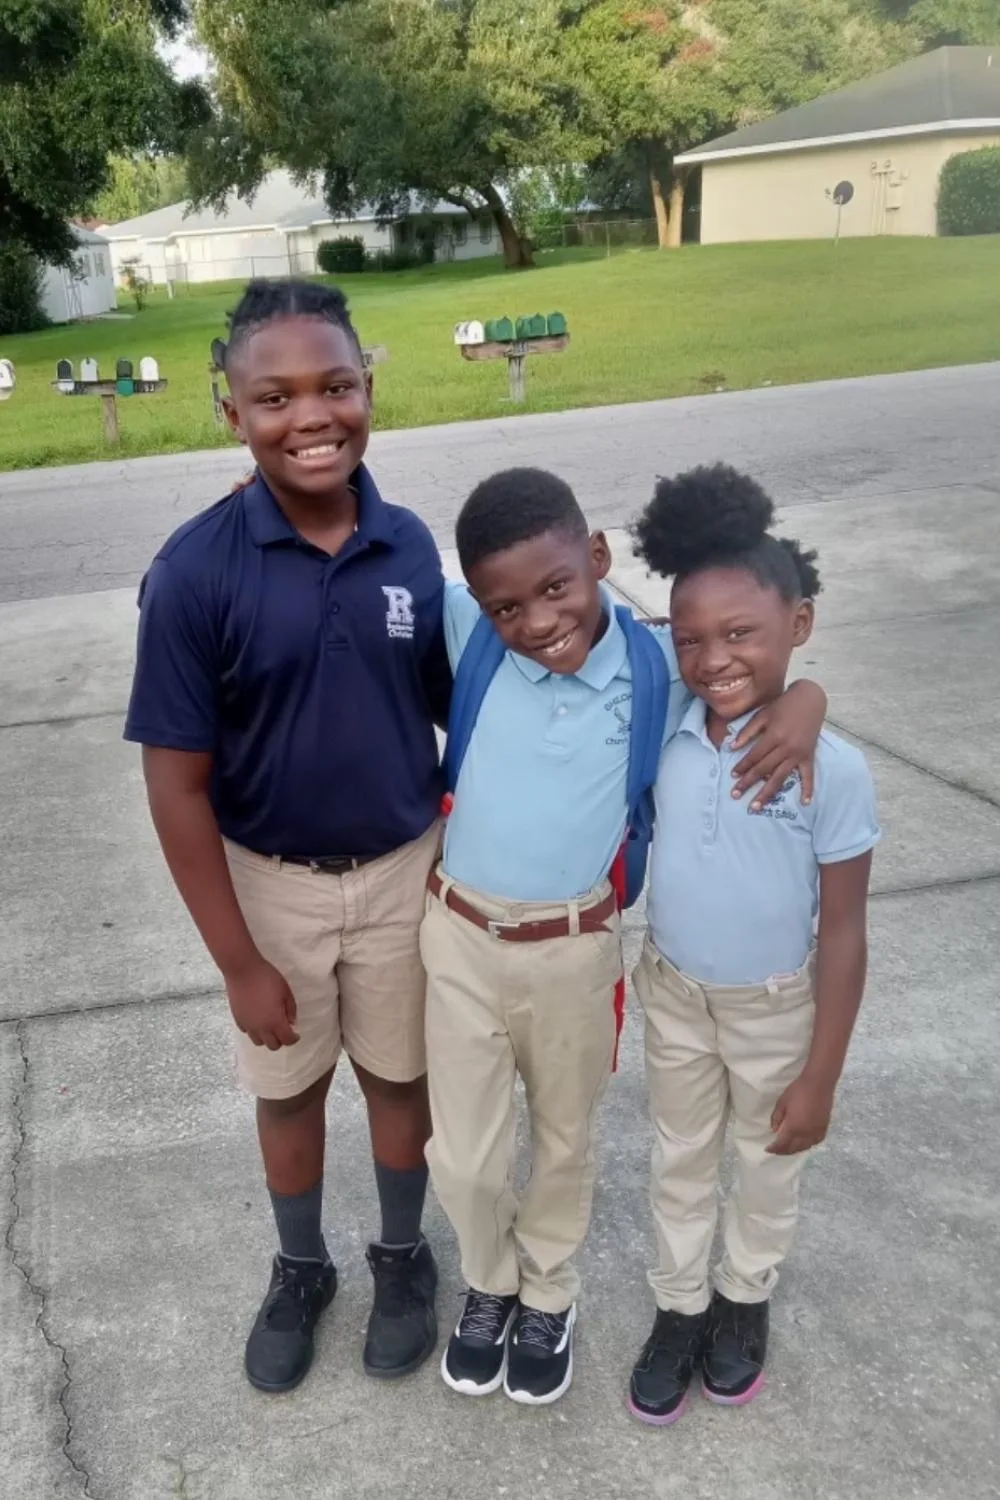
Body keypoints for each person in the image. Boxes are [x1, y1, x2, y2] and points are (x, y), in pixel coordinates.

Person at [422, 467, 830, 1408]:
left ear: (597, 558)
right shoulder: (464, 627)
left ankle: (548, 1294)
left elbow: (751, 686)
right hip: (458, 935)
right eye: (507, 606)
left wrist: (810, 700)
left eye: (557, 588)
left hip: (575, 947)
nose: (535, 620)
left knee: (565, 1137)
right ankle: (490, 1280)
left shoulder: (657, 675)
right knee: (468, 1156)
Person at [124, 279, 452, 1394]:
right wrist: (238, 960)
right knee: (289, 1088)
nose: (311, 416)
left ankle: (403, 1257)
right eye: (276, 397)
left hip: (407, 870)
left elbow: (468, 701)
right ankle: (301, 1265)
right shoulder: (195, 572)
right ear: (232, 413)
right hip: (271, 885)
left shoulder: (410, 552)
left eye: (337, 386)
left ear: (369, 389)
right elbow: (175, 787)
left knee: (401, 1079)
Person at [626, 464, 880, 1425]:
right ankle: (680, 1306)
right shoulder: (667, 733)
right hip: (675, 992)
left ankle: (743, 1301)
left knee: (767, 1161)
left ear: (798, 627)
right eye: (690, 639)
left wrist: (823, 1073)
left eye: (742, 635)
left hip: (777, 1006)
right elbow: (608, 632)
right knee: (679, 1156)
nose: (712, 658)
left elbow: (847, 928)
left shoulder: (834, 769)